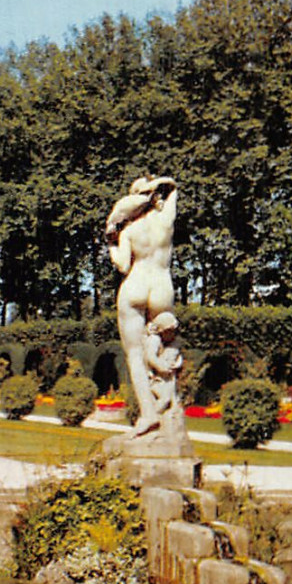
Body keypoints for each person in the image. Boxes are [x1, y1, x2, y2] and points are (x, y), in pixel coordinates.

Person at [105, 175, 177, 420]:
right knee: (164, 344)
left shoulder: (129, 231)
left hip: (135, 285)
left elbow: (123, 265)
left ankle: (148, 413)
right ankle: (168, 400)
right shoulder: (165, 221)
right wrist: (158, 185)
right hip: (161, 287)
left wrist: (112, 246)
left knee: (135, 354)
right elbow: (173, 188)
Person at [135, 311, 184, 436]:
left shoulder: (167, 343)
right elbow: (150, 357)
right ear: (162, 330)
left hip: (164, 377)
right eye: (170, 332)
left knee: (172, 399)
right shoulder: (154, 340)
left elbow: (179, 357)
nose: (172, 335)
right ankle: (150, 418)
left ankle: (163, 422)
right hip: (154, 378)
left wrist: (177, 364)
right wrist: (161, 367)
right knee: (165, 398)